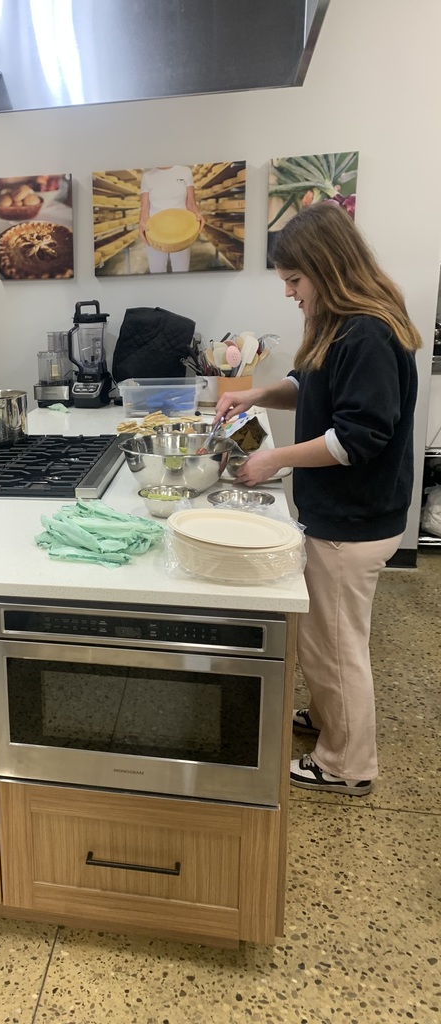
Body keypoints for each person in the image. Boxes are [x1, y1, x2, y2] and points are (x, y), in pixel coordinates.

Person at [214, 202, 420, 797]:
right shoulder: (343, 325)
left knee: (335, 644)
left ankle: (347, 763)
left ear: (327, 270)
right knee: (325, 636)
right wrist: (255, 393)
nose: (289, 293)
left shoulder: (368, 333)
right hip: (342, 513)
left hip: (354, 520)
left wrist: (274, 458)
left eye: (294, 281)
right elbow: (312, 386)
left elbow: (358, 437)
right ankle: (332, 719)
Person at [139, 165, 205, 273]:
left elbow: (191, 204)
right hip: (154, 232)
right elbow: (145, 208)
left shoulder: (185, 171)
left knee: (181, 271)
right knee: (157, 272)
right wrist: (141, 222)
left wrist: (197, 213)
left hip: (182, 231)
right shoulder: (147, 176)